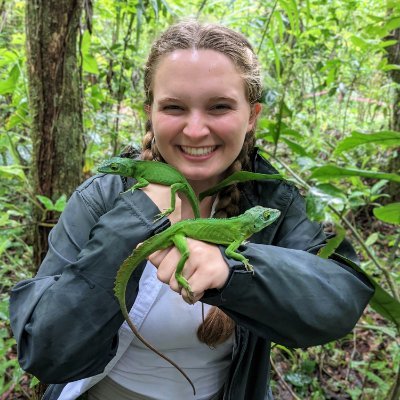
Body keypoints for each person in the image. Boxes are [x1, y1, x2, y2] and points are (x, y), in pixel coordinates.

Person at [10, 20, 373, 400]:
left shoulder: (273, 201)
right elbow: (44, 350)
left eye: (219, 106)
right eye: (174, 107)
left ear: (252, 115)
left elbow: (340, 298)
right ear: (149, 111)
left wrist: (230, 270)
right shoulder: (101, 197)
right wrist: (131, 221)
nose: (196, 130)